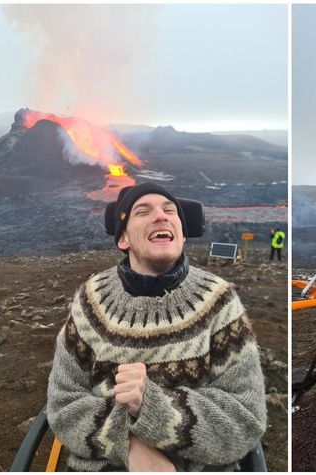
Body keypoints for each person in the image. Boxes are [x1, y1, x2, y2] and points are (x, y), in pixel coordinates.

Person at [46, 182, 267, 471]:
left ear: (183, 234)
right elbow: (64, 404)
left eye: (169, 210)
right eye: (143, 211)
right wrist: (128, 445)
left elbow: (246, 417)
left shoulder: (220, 303)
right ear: (123, 238)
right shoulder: (90, 302)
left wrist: (152, 406)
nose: (161, 216)